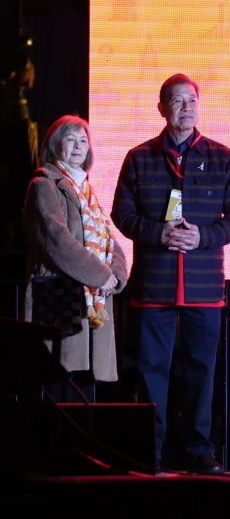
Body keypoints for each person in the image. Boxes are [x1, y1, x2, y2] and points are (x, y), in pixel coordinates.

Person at [111, 73, 230, 474]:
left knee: (201, 373)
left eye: (192, 101)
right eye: (177, 101)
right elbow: (122, 214)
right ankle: (150, 451)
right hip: (153, 283)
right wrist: (159, 233)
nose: (186, 108)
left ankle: (199, 450)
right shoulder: (139, 157)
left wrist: (204, 236)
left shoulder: (222, 157)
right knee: (151, 371)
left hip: (204, 285)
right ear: (161, 108)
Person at [22, 115, 128, 401]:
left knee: (86, 389)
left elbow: (109, 240)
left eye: (83, 140)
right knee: (61, 384)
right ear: (55, 145)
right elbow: (57, 240)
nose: (79, 146)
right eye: (70, 139)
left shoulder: (87, 191)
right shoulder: (44, 185)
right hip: (59, 298)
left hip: (93, 299)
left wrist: (117, 275)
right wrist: (101, 275)